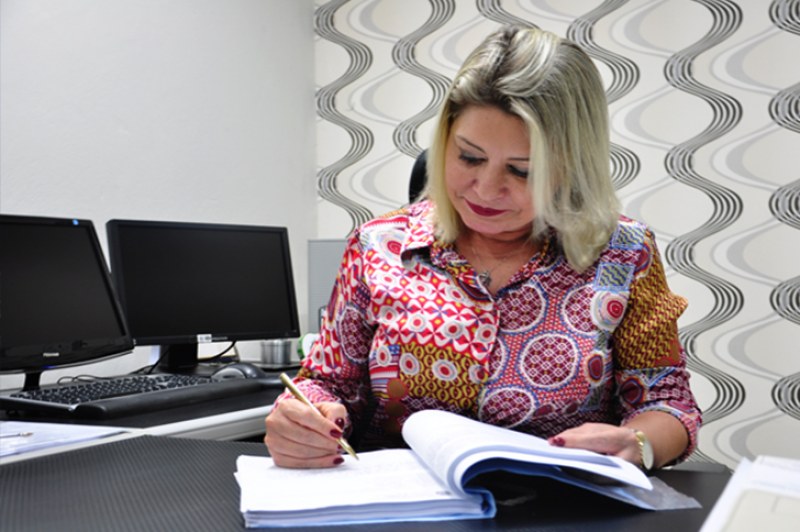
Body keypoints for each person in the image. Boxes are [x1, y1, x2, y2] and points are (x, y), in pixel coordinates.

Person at [265, 24, 701, 470]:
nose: (487, 189)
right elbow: (327, 383)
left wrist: (638, 442)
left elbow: (668, 402)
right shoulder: (379, 245)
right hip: (399, 497)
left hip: (558, 498)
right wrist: (302, 420)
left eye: (523, 171)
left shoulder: (624, 253)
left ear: (573, 167)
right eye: (469, 157)